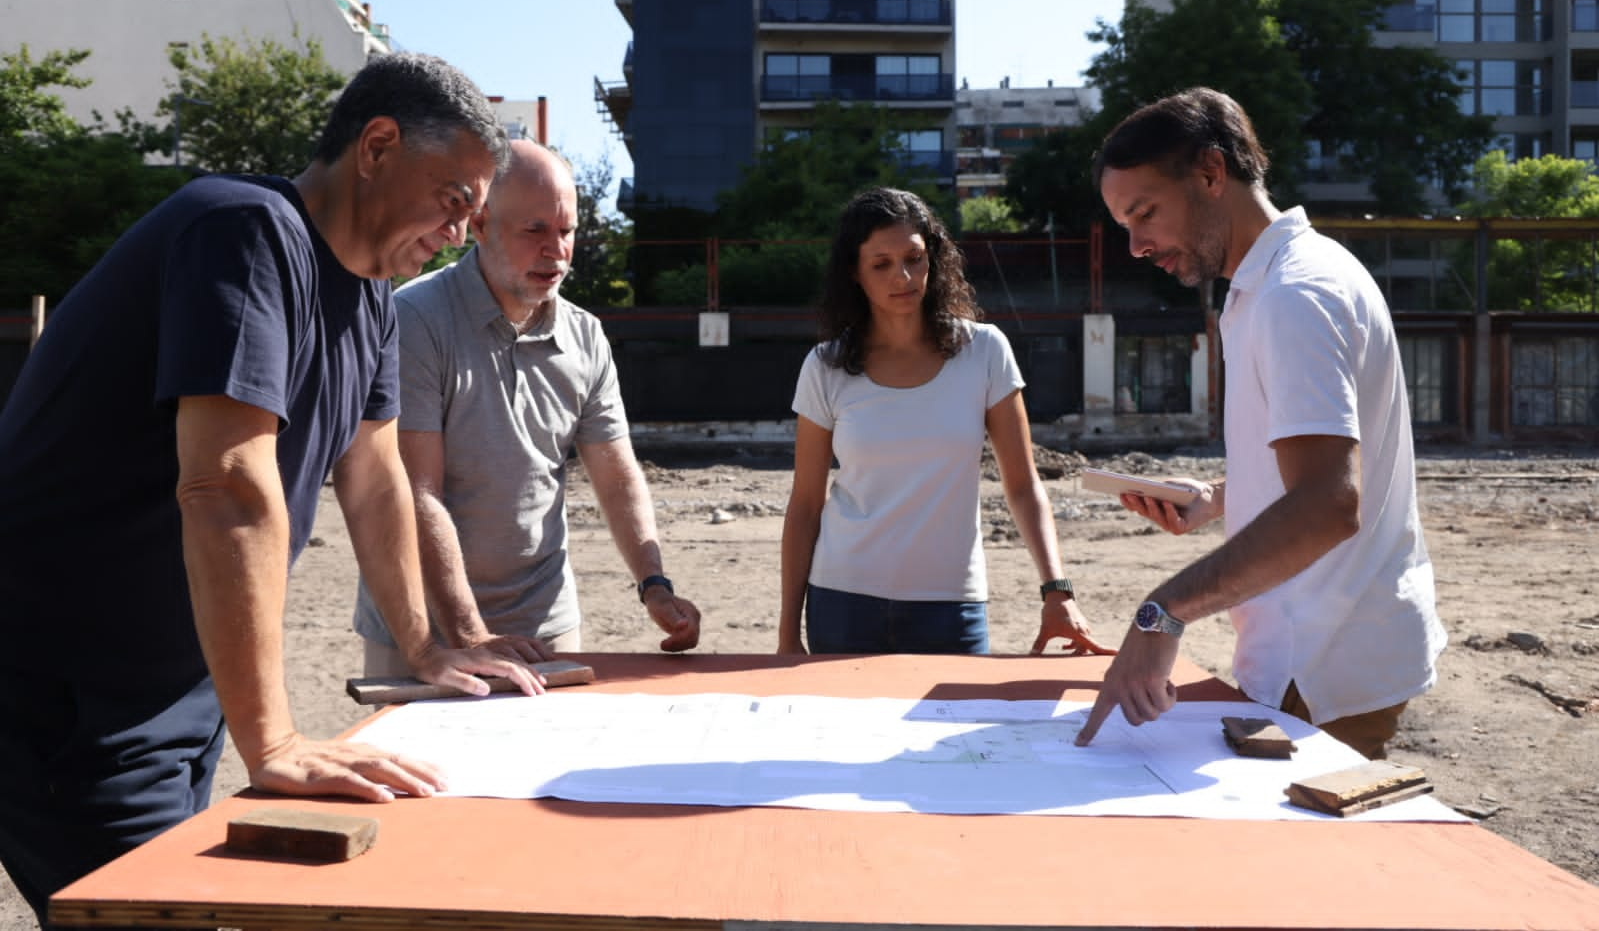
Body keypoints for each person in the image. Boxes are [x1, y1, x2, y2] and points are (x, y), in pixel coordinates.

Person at [0, 52, 543, 928]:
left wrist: (428, 651)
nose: (457, 233)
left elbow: (376, 481)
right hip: (65, 684)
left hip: (181, 683)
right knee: (149, 918)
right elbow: (226, 486)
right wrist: (277, 744)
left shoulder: (369, 298)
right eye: (453, 200)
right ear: (376, 145)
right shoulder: (243, 229)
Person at [1076, 87, 1446, 758]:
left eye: (1144, 214)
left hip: (1324, 660)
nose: (1134, 246)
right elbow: (1320, 466)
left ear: (1211, 173)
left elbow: (1328, 504)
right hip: (1318, 648)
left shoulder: (1292, 295)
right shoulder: (1272, 284)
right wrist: (1220, 500)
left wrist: (1162, 614)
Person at [353, 140, 700, 674]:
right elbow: (415, 492)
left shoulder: (585, 336)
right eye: (535, 230)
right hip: (423, 636)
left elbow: (615, 472)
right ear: (482, 223)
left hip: (546, 625)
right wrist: (470, 634)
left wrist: (654, 584)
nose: (557, 251)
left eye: (566, 232)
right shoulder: (415, 321)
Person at [778, 186, 1108, 656]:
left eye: (915, 258)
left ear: (934, 258)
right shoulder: (825, 366)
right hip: (842, 602)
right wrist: (788, 632)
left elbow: (1022, 484)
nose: (904, 276)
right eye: (882, 264)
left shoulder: (985, 352)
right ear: (854, 273)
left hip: (951, 606)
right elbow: (806, 504)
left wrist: (1058, 590)